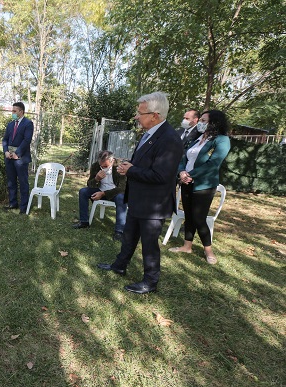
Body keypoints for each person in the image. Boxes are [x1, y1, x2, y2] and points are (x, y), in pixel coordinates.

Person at [96, 92, 183, 294]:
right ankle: (119, 265)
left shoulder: (170, 139)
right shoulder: (149, 133)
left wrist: (131, 170)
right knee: (129, 235)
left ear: (155, 115)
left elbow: (162, 175)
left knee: (149, 243)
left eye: (140, 112)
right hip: (138, 197)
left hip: (154, 203)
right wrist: (130, 166)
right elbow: (147, 164)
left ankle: (150, 282)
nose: (136, 116)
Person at [170, 110, 231, 264]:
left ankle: (208, 250)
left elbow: (213, 164)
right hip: (187, 181)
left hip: (203, 184)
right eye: (201, 120)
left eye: (204, 120)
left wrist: (190, 174)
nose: (201, 123)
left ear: (214, 123)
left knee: (199, 218)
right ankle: (187, 246)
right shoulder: (198, 138)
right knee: (189, 215)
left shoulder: (222, 140)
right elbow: (184, 157)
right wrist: (182, 172)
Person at [73, 150, 127, 241]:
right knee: (83, 191)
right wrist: (97, 179)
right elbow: (89, 184)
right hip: (100, 189)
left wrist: (103, 194)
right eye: (101, 166)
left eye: (105, 166)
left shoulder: (120, 167)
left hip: (115, 193)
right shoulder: (95, 166)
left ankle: (119, 231)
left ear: (112, 161)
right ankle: (84, 222)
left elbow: (122, 188)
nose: (103, 168)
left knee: (121, 198)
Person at [2, 101, 33, 214]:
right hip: (9, 157)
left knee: (23, 182)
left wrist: (17, 153)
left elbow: (27, 140)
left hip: (21, 158)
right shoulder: (10, 124)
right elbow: (5, 139)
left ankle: (24, 207)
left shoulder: (28, 123)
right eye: (12, 111)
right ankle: (13, 203)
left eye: (14, 111)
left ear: (21, 111)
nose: (12, 113)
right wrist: (6, 151)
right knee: (11, 181)